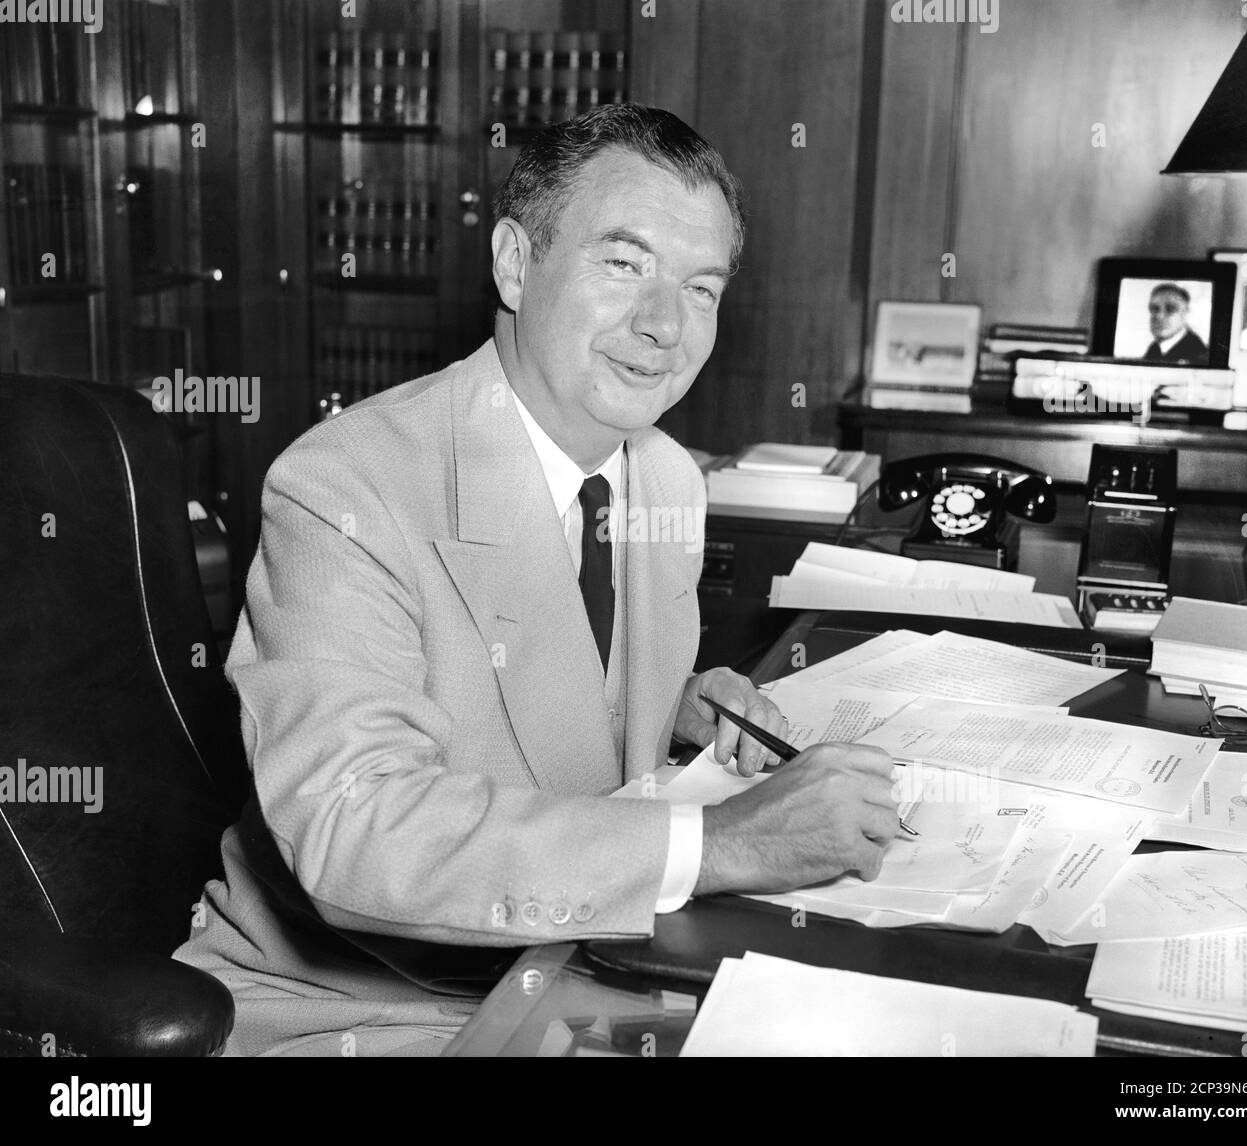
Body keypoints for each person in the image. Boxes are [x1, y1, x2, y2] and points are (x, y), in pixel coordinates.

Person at [175, 104, 901, 1057]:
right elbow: (358, 826)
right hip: (360, 1005)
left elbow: (538, 684)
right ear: (516, 264)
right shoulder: (346, 485)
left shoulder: (666, 478)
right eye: (623, 263)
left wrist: (675, 703)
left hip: (580, 961)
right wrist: (727, 841)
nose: (664, 324)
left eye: (702, 287)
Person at [1141, 282, 1209, 365]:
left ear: (1185, 314)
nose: (1159, 316)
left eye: (1170, 309)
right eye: (1154, 309)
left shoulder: (1198, 355)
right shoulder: (1154, 349)